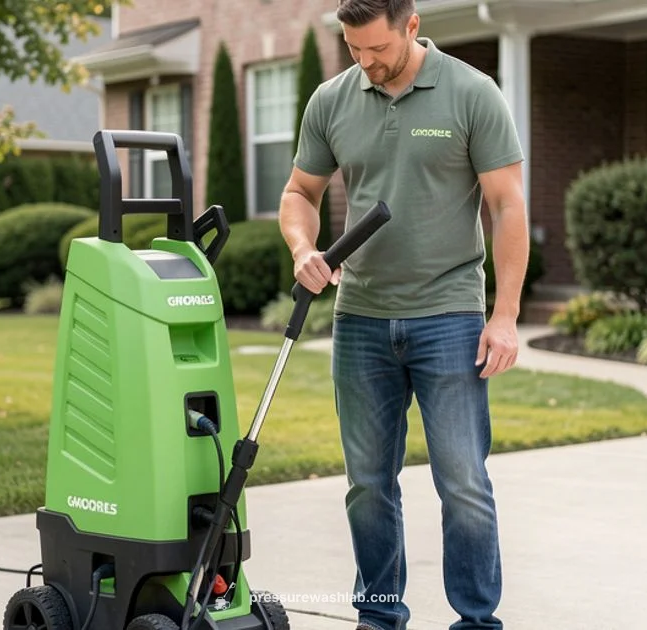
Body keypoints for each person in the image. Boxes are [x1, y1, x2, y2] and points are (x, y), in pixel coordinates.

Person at [277, 0, 529, 628]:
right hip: (360, 318)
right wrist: (304, 248)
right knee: (367, 485)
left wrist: (504, 315)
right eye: (353, 49)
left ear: (412, 27)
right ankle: (379, 617)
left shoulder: (472, 93)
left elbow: (508, 207)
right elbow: (299, 193)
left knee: (463, 483)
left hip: (449, 315)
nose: (365, 62)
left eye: (377, 50)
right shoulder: (332, 100)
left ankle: (476, 620)